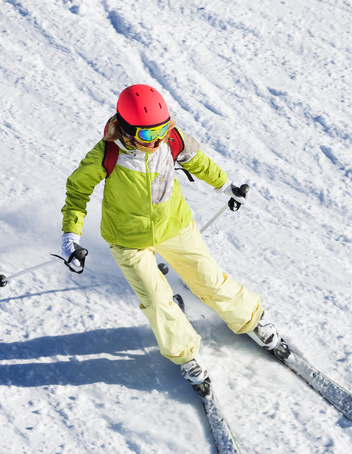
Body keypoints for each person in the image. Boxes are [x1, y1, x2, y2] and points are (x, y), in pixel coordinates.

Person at [61, 84, 285, 394]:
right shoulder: (108, 153)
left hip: (175, 225)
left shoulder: (172, 141)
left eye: (162, 131)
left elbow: (198, 161)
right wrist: (70, 235)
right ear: (126, 132)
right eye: (147, 136)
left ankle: (251, 320)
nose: (156, 141)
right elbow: (77, 191)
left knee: (209, 279)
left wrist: (226, 187)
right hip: (128, 239)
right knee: (156, 299)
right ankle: (186, 355)